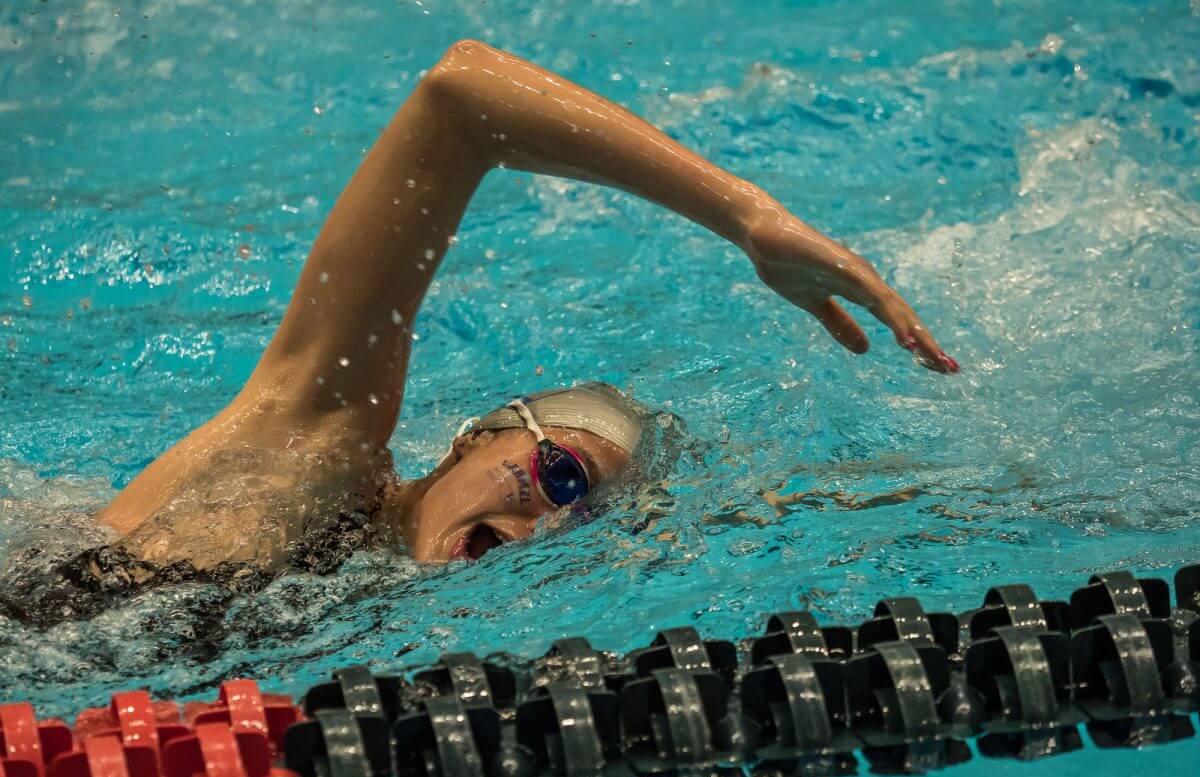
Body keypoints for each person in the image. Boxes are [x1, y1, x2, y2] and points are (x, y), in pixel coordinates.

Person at [95, 40, 957, 576]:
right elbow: (462, 101)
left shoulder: (408, 606)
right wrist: (749, 218)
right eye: (563, 476)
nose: (551, 526)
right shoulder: (308, 449)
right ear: (475, 438)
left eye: (582, 522)